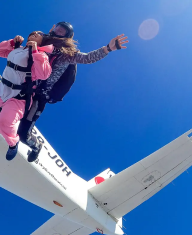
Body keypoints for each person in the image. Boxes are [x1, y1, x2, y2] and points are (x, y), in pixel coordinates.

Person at [17, 22, 129, 162]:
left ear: (68, 37)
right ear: (52, 28)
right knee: (0, 105)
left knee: (22, 134)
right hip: (22, 86)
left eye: (62, 31)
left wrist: (108, 48)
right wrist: (17, 42)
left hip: (39, 95)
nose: (58, 32)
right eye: (57, 28)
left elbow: (87, 58)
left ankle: (36, 146)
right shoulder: (38, 42)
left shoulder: (67, 54)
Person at [0, 31, 53, 161]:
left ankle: (13, 144)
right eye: (34, 32)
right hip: (1, 89)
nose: (35, 33)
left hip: (18, 97)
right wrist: (12, 43)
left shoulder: (40, 55)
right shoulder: (17, 49)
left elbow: (43, 74)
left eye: (39, 33)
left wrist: (35, 51)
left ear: (43, 41)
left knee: (3, 125)